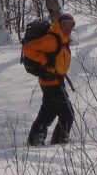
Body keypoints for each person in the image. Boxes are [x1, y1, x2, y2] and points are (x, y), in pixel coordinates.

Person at [24, 12, 76, 146]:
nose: (68, 28)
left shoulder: (63, 39)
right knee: (67, 114)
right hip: (51, 81)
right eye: (65, 24)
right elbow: (28, 48)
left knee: (48, 112)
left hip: (56, 81)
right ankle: (59, 142)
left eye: (71, 25)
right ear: (59, 24)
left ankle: (35, 140)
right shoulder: (52, 39)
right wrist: (43, 59)